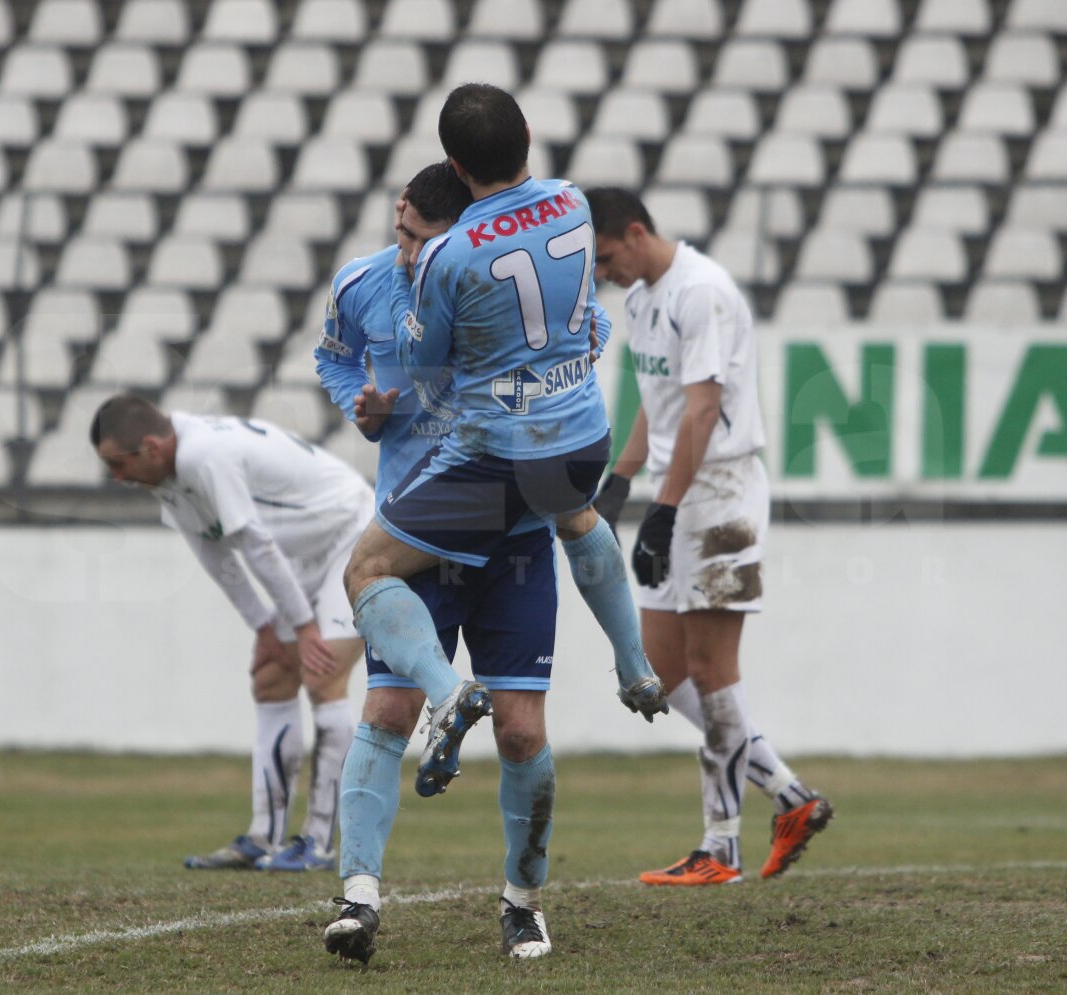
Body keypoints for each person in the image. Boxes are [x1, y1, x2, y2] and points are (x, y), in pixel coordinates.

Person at [341, 84, 669, 824]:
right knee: (577, 517)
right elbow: (583, 319)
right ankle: (635, 663)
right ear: (526, 130)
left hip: (495, 458)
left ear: (455, 167)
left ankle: (448, 689)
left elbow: (429, 367)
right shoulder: (577, 206)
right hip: (582, 438)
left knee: (365, 567)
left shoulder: (446, 256)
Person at [315, 163, 556, 962]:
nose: (405, 249)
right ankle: (357, 899)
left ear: (457, 236)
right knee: (383, 713)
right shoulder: (362, 284)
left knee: (522, 733)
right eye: (399, 230)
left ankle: (522, 902)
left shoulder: (495, 286)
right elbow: (336, 357)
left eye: (418, 237)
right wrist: (366, 404)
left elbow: (576, 345)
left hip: (512, 530)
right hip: (413, 533)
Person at [585, 187, 833, 885]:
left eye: (606, 256)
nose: (604, 272)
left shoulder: (704, 292)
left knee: (712, 664)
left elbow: (702, 411)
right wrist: (621, 480)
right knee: (660, 673)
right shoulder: (640, 298)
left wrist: (662, 511)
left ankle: (721, 844)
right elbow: (656, 403)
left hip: (719, 492)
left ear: (635, 233)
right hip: (676, 488)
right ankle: (791, 797)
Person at [90, 395, 371, 873]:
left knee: (324, 677)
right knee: (271, 676)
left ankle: (318, 843)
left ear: (152, 446)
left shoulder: (205, 456)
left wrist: (302, 628)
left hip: (352, 533)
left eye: (119, 464)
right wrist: (263, 627)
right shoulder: (165, 471)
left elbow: (252, 543)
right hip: (299, 554)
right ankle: (264, 837)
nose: (118, 477)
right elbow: (212, 552)